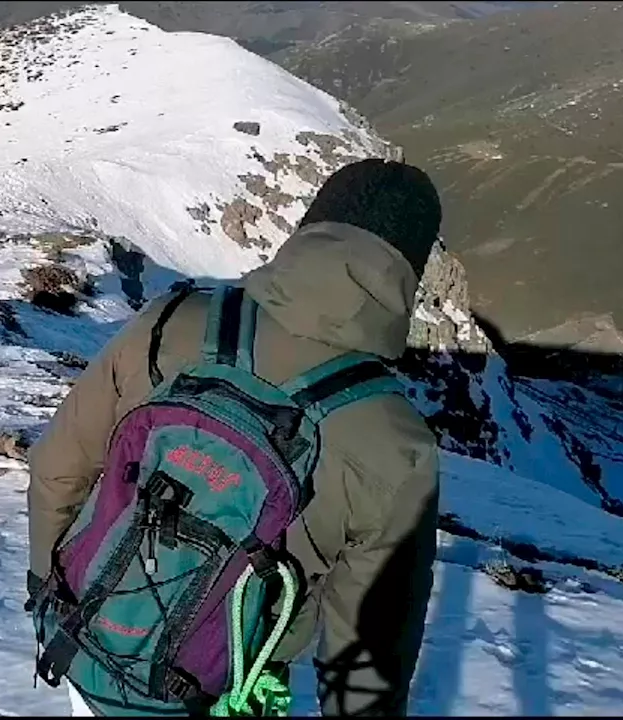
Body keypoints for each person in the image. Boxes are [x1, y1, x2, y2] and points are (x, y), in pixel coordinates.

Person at [27, 159, 442, 716]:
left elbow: (58, 466)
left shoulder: (171, 320)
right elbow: (368, 649)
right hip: (218, 686)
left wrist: (49, 593)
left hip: (90, 644)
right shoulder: (397, 444)